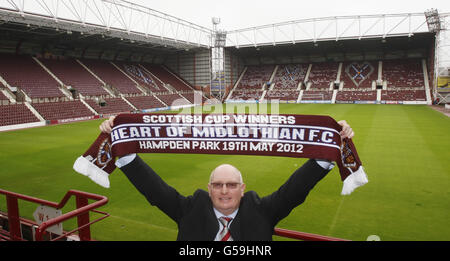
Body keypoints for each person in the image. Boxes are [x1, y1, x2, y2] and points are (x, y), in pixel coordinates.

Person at [99, 116, 354, 241]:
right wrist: (120, 139)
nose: (224, 191)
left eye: (231, 185)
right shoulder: (191, 209)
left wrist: (328, 146)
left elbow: (295, 190)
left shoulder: (261, 210)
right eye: (218, 185)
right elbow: (154, 189)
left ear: (242, 189)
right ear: (208, 188)